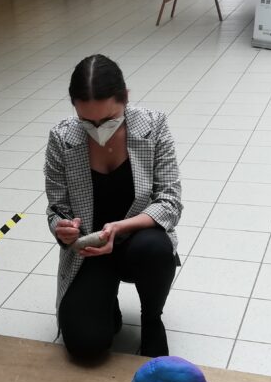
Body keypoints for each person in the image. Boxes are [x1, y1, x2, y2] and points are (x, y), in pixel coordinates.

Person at [45, 54, 183, 359]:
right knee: (85, 345)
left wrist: (119, 228)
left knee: (155, 248)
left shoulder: (153, 126)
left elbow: (170, 202)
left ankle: (152, 319)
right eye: (87, 121)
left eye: (108, 119)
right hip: (91, 249)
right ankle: (108, 303)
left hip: (138, 242)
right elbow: (56, 207)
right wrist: (63, 228)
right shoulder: (61, 138)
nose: (98, 128)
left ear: (125, 99)